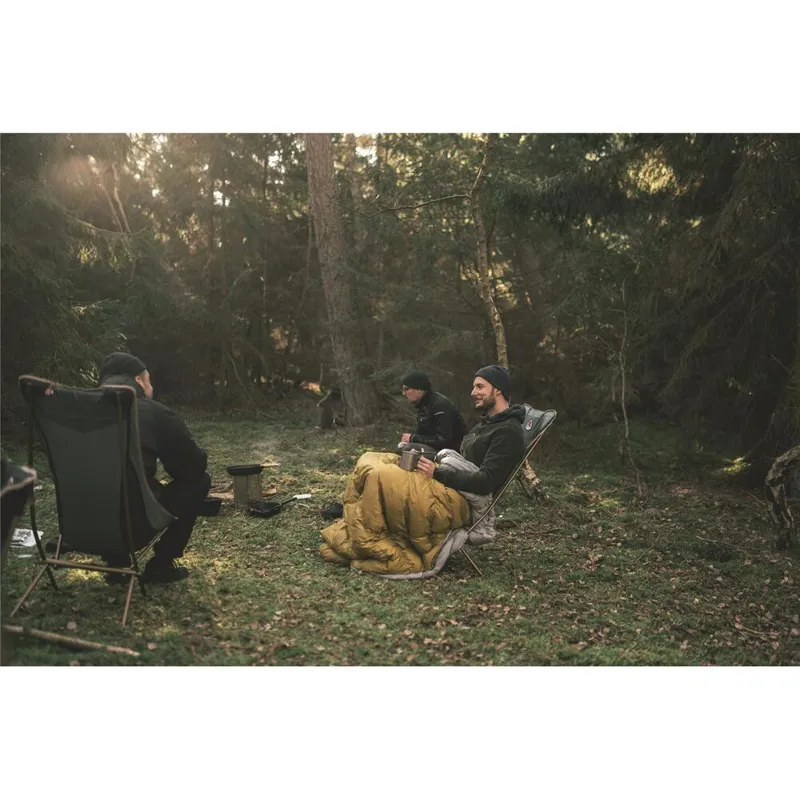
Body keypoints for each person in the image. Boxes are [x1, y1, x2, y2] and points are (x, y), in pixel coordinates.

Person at [99, 352, 211, 584]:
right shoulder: (152, 412)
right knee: (199, 482)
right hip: (133, 527)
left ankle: (117, 564)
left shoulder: (78, 411)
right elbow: (192, 468)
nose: (151, 387)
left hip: (79, 526)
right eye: (149, 380)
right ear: (138, 380)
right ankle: (161, 565)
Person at [415, 364, 526, 496]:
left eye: (480, 386)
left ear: (498, 390)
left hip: (462, 498)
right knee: (398, 462)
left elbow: (486, 482)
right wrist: (423, 459)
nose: (473, 393)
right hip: (450, 486)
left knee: (397, 482)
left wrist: (436, 473)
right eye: (474, 387)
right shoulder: (485, 424)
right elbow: (462, 458)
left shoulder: (508, 431)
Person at [399, 369, 466, 454]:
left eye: (406, 389)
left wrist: (412, 438)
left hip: (451, 452)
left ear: (418, 390)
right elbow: (424, 434)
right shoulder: (424, 405)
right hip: (439, 449)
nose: (404, 393)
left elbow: (444, 440)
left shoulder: (439, 405)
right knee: (403, 448)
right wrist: (410, 439)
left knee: (409, 449)